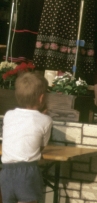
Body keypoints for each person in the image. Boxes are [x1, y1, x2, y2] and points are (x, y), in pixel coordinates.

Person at [0, 72, 52, 203]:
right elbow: (42, 146)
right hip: (27, 171)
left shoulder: (8, 115)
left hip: (6, 171)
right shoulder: (45, 120)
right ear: (41, 98)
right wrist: (43, 115)